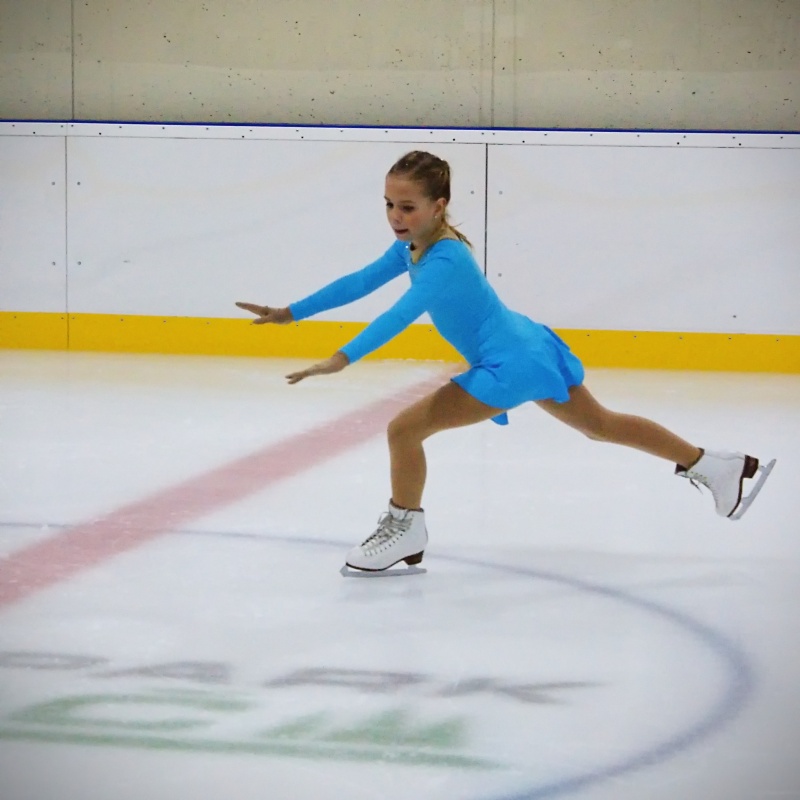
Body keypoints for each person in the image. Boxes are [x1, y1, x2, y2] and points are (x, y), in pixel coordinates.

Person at [236, 150, 774, 573]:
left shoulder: (445, 258)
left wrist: (341, 357)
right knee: (601, 425)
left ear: (439, 205)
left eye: (408, 207)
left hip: (508, 360)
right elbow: (358, 282)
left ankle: (406, 529)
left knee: (404, 431)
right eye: (388, 205)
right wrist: (291, 312)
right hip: (524, 344)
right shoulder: (411, 248)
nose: (395, 217)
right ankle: (717, 465)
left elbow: (401, 313)